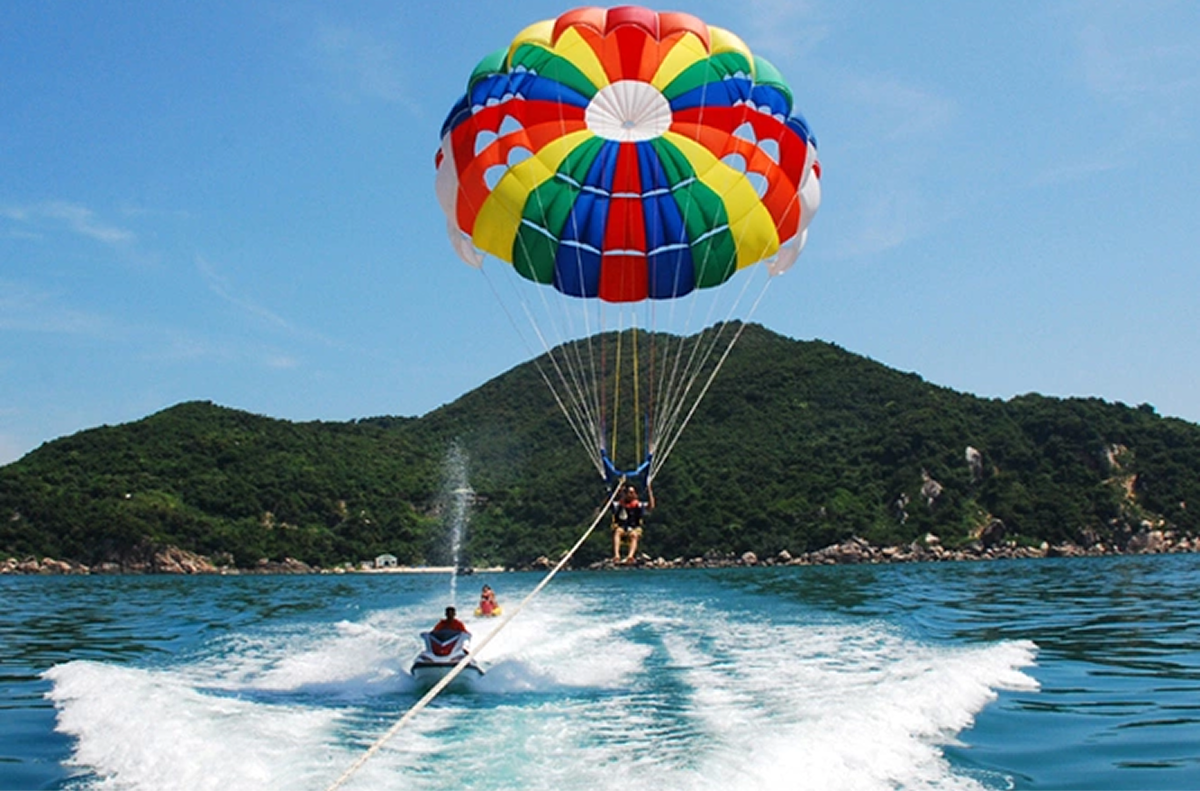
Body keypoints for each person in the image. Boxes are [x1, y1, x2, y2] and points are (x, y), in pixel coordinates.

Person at [611, 482, 654, 564]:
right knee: (618, 531)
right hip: (621, 528)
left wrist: (650, 491)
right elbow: (608, 503)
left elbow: (651, 507)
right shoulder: (619, 504)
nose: (631, 494)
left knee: (634, 535)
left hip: (634, 528)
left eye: (632, 493)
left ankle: (630, 556)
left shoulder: (638, 505)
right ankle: (616, 555)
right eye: (629, 492)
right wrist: (618, 490)